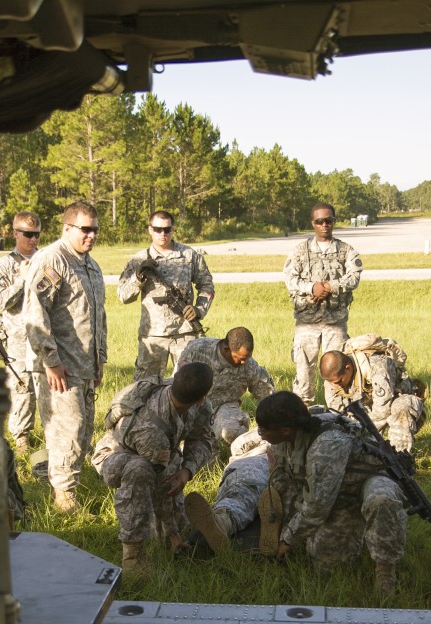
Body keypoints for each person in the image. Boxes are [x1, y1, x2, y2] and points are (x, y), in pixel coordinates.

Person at [255, 391, 407, 595]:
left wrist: (288, 539)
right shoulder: (286, 438)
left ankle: (385, 569)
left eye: (263, 431)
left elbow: (317, 506)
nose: (260, 434)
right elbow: (285, 476)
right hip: (333, 491)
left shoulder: (326, 446)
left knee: (380, 500)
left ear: (284, 430)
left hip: (364, 484)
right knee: (321, 563)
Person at [91, 362, 214, 572]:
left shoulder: (194, 401)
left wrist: (186, 471)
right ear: (202, 397)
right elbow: (160, 483)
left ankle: (167, 532)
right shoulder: (151, 430)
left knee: (172, 537)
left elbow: (202, 439)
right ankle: (133, 557)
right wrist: (173, 533)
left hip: (163, 454)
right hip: (115, 455)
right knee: (140, 472)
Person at [24, 200, 106, 513]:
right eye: (85, 229)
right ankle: (64, 498)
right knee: (67, 431)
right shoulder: (52, 261)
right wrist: (51, 362)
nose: (91, 235)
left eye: (95, 230)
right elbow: (35, 314)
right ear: (67, 228)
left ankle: (62, 479)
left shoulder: (90, 265)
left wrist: (100, 360)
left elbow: (97, 318)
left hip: (86, 365)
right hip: (61, 368)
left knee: (83, 431)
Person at [117, 210, 215, 378]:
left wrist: (199, 309)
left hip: (185, 333)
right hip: (154, 335)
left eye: (167, 229)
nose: (163, 233)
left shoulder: (189, 256)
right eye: (157, 229)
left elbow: (207, 285)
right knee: (145, 387)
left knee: (189, 384)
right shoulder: (138, 259)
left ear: (173, 230)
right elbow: (123, 295)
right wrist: (139, 277)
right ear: (150, 230)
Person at [283, 202, 363, 406]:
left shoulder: (346, 250)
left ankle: (337, 415)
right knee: (303, 375)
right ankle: (303, 418)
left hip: (335, 323)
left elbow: (354, 277)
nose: (324, 225)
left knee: (335, 375)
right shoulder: (300, 251)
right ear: (313, 223)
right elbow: (290, 279)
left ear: (333, 222)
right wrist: (312, 288)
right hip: (306, 323)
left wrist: (329, 287)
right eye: (320, 221)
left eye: (328, 220)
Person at [320, 334, 425, 452]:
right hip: (366, 411)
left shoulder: (378, 366)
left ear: (348, 368)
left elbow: (383, 410)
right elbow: (338, 415)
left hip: (394, 404)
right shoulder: (333, 379)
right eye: (332, 383)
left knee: (403, 408)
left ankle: (399, 457)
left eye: (339, 381)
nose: (335, 386)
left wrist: (361, 433)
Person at [0, 210, 42, 453]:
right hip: (19, 338)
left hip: (44, 337)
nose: (33, 240)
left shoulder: (46, 260)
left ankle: (53, 435)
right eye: (28, 234)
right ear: (15, 233)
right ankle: (21, 437)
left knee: (48, 387)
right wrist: (22, 279)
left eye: (37, 235)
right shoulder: (5, 265)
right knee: (22, 388)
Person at [176, 326, 274, 449]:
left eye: (247, 358)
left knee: (233, 430)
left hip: (224, 406)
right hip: (193, 405)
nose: (245, 362)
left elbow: (267, 395)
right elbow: (178, 384)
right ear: (227, 349)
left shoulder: (249, 365)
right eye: (241, 358)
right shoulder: (197, 350)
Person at [184, 428, 271, 553]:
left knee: (236, 499)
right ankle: (221, 523)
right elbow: (245, 441)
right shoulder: (267, 438)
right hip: (253, 467)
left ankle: (197, 542)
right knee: (241, 495)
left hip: (237, 473)